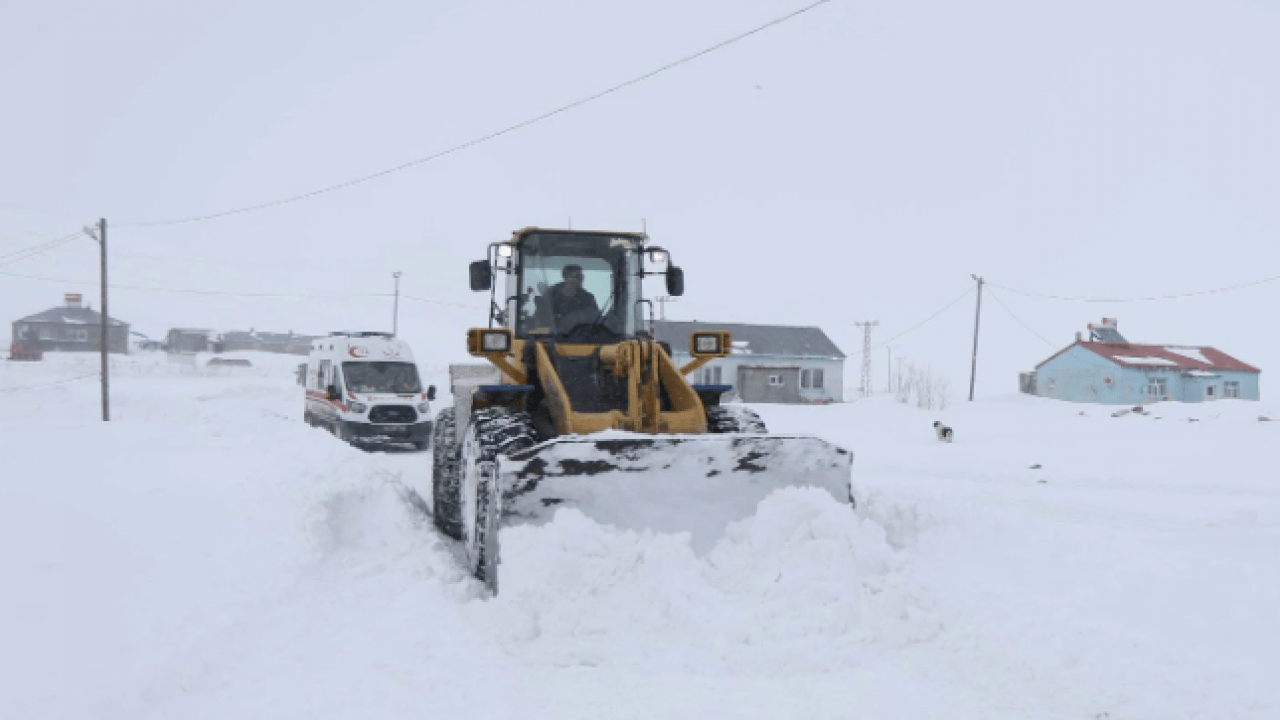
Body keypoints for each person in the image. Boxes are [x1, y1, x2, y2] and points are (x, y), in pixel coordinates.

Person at [536, 264, 600, 332]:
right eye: (577, 277)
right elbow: (540, 319)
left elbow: (596, 320)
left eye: (581, 277)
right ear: (566, 277)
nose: (580, 280)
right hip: (553, 338)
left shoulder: (588, 298)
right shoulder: (550, 296)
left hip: (583, 337)